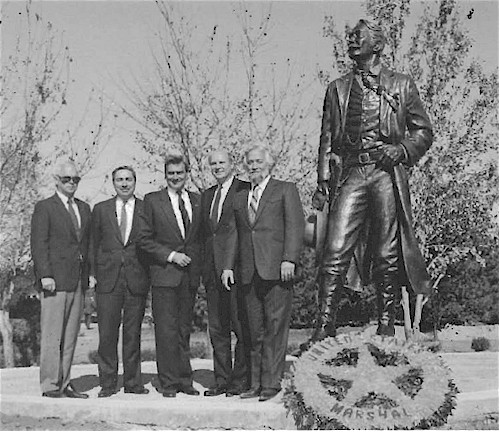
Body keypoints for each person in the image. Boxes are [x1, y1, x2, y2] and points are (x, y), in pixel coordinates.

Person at [311, 19, 433, 341]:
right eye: (349, 35)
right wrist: (323, 181)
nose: (350, 40)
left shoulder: (402, 84)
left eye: (358, 36)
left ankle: (386, 324)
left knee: (386, 252)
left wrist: (403, 149)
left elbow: (423, 131)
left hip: (384, 173)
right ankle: (324, 328)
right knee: (334, 249)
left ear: (376, 45)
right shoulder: (337, 88)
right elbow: (326, 139)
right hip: (351, 173)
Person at [222, 146, 304, 402]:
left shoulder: (285, 189)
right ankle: (255, 384)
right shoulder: (240, 196)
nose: (254, 166)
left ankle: (272, 383)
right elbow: (234, 233)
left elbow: (295, 225)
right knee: (253, 331)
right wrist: (227, 265)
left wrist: (289, 258)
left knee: (275, 328)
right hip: (248, 272)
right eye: (250, 162)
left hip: (278, 270)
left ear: (268, 163)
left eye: (258, 161)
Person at [137, 154, 202, 398]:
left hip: (189, 277)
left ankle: (185, 379)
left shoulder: (197, 200)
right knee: (165, 330)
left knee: (184, 329)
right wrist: (171, 256)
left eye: (180, 173)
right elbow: (144, 239)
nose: (175, 177)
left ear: (187, 173)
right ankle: (168, 382)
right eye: (171, 173)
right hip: (165, 274)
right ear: (165, 175)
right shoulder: (153, 201)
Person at [30, 161, 91, 399]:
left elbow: (86, 244)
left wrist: (89, 275)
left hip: (76, 280)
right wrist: (45, 274)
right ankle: (50, 384)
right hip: (53, 281)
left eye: (75, 179)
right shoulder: (45, 207)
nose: (71, 183)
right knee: (52, 335)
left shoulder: (84, 208)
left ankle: (65, 382)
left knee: (70, 337)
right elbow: (39, 243)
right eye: (67, 179)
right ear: (57, 180)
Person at [90, 166, 150, 398]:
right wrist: (93, 273)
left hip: (136, 278)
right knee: (107, 334)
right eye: (119, 180)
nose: (124, 184)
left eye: (128, 179)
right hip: (108, 279)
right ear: (112, 182)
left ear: (135, 181)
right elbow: (93, 244)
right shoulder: (101, 209)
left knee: (133, 334)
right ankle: (107, 382)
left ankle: (133, 382)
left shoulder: (146, 208)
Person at [201, 150, 250, 397]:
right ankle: (221, 380)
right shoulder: (208, 195)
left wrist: (232, 265)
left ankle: (240, 380)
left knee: (240, 327)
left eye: (222, 162)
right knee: (217, 330)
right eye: (214, 164)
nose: (218, 167)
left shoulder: (245, 189)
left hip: (236, 271)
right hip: (211, 272)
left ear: (232, 164)